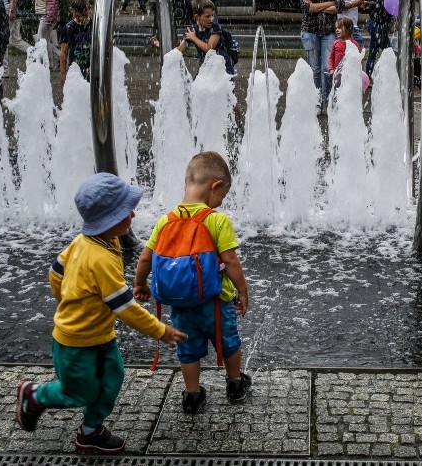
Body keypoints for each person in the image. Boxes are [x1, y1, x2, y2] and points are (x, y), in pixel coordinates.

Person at [14, 172, 188, 453]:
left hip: (100, 336)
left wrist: (66, 297)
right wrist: (161, 330)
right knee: (77, 392)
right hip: (75, 342)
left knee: (112, 378)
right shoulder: (101, 257)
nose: (132, 214)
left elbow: (56, 271)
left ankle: (90, 432)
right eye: (125, 211)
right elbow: (126, 308)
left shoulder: (95, 240)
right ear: (108, 220)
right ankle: (34, 396)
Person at [134, 151, 251, 414]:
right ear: (215, 186)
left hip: (181, 304)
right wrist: (242, 291)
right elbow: (230, 261)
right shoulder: (216, 220)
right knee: (228, 341)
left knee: (187, 348)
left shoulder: (166, 220)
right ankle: (235, 384)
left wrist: (140, 285)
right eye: (222, 196)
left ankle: (192, 394)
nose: (220, 203)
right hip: (216, 302)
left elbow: (145, 259)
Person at [299, 0, 344, 116]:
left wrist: (315, 6)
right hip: (310, 31)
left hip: (329, 32)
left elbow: (339, 7)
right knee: (314, 69)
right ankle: (317, 101)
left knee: (327, 69)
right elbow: (306, 9)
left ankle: (328, 101)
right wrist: (328, 4)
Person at [365, 0, 392, 80]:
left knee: (373, 51)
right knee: (387, 51)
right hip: (376, 25)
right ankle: (382, 75)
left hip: (381, 25)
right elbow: (378, 7)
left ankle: (370, 75)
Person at [60, 0, 92, 86]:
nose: (81, 18)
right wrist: (63, 74)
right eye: (78, 16)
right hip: (75, 70)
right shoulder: (69, 27)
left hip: (92, 69)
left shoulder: (94, 25)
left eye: (84, 14)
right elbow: (63, 54)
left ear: (87, 8)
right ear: (72, 11)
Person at [34, 0, 60, 71]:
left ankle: (46, 63)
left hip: (46, 16)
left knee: (41, 41)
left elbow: (52, 3)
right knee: (45, 41)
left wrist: (49, 18)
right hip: (43, 16)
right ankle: (52, 61)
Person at [329, 17, 361, 83]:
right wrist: (331, 69)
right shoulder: (336, 43)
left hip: (350, 75)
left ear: (348, 29)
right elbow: (331, 58)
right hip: (337, 75)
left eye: (340, 28)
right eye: (336, 28)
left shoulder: (354, 44)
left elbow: (357, 59)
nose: (337, 30)